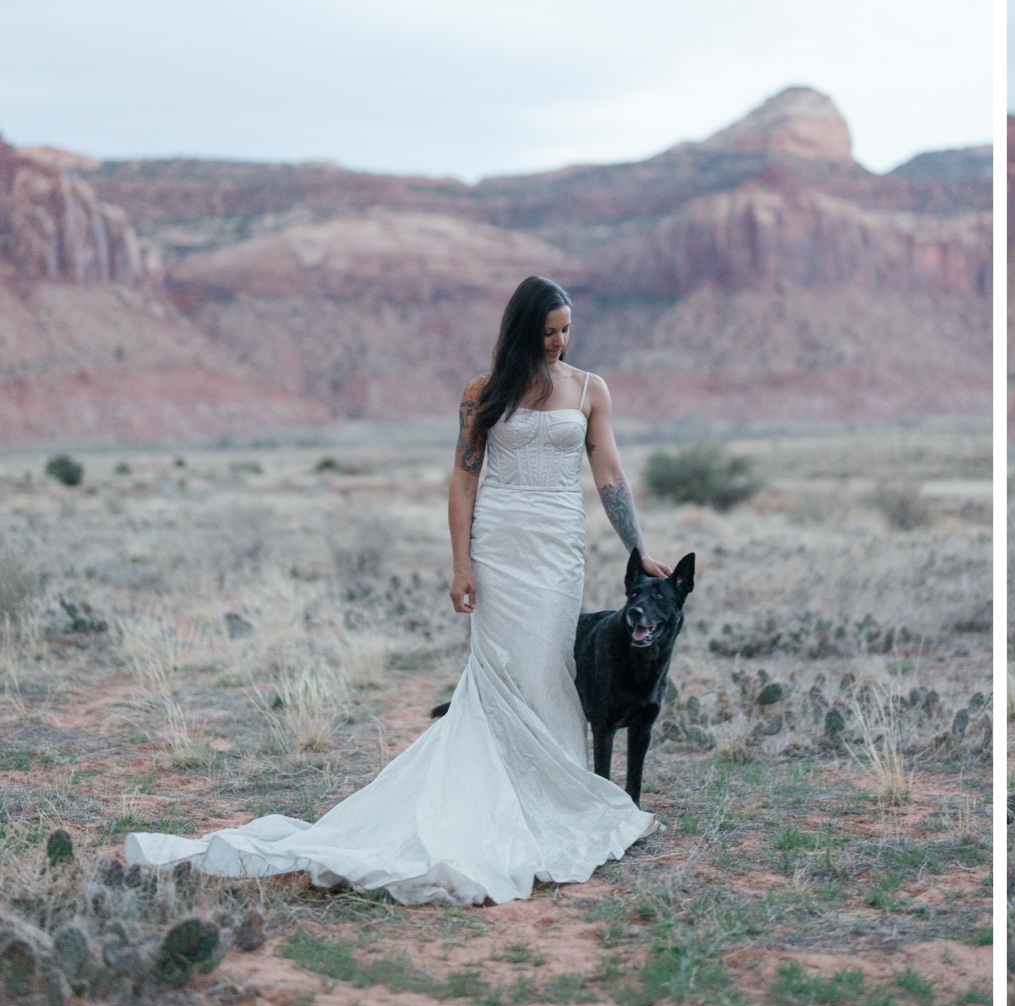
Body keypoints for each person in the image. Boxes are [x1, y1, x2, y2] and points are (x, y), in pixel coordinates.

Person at [127, 276, 667, 905]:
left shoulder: (589, 388)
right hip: (499, 547)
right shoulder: (483, 393)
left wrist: (638, 548)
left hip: (557, 550)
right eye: (548, 331)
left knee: (551, 668)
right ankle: (484, 804)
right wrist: (461, 566)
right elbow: (464, 482)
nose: (560, 341)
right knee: (499, 674)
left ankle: (549, 797)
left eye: (566, 329)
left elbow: (609, 476)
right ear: (522, 330)